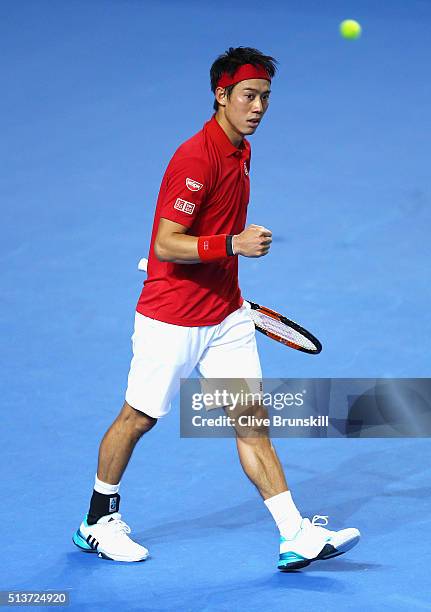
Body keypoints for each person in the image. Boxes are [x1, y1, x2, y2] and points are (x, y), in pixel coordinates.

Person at [73, 46, 360, 570]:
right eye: (248, 96)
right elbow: (166, 242)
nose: (258, 108)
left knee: (251, 423)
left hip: (226, 314)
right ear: (221, 96)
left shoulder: (240, 150)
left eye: (265, 97)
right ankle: (97, 520)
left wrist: (224, 264)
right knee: (138, 418)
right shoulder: (195, 158)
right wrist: (232, 245)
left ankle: (293, 532)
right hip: (172, 319)